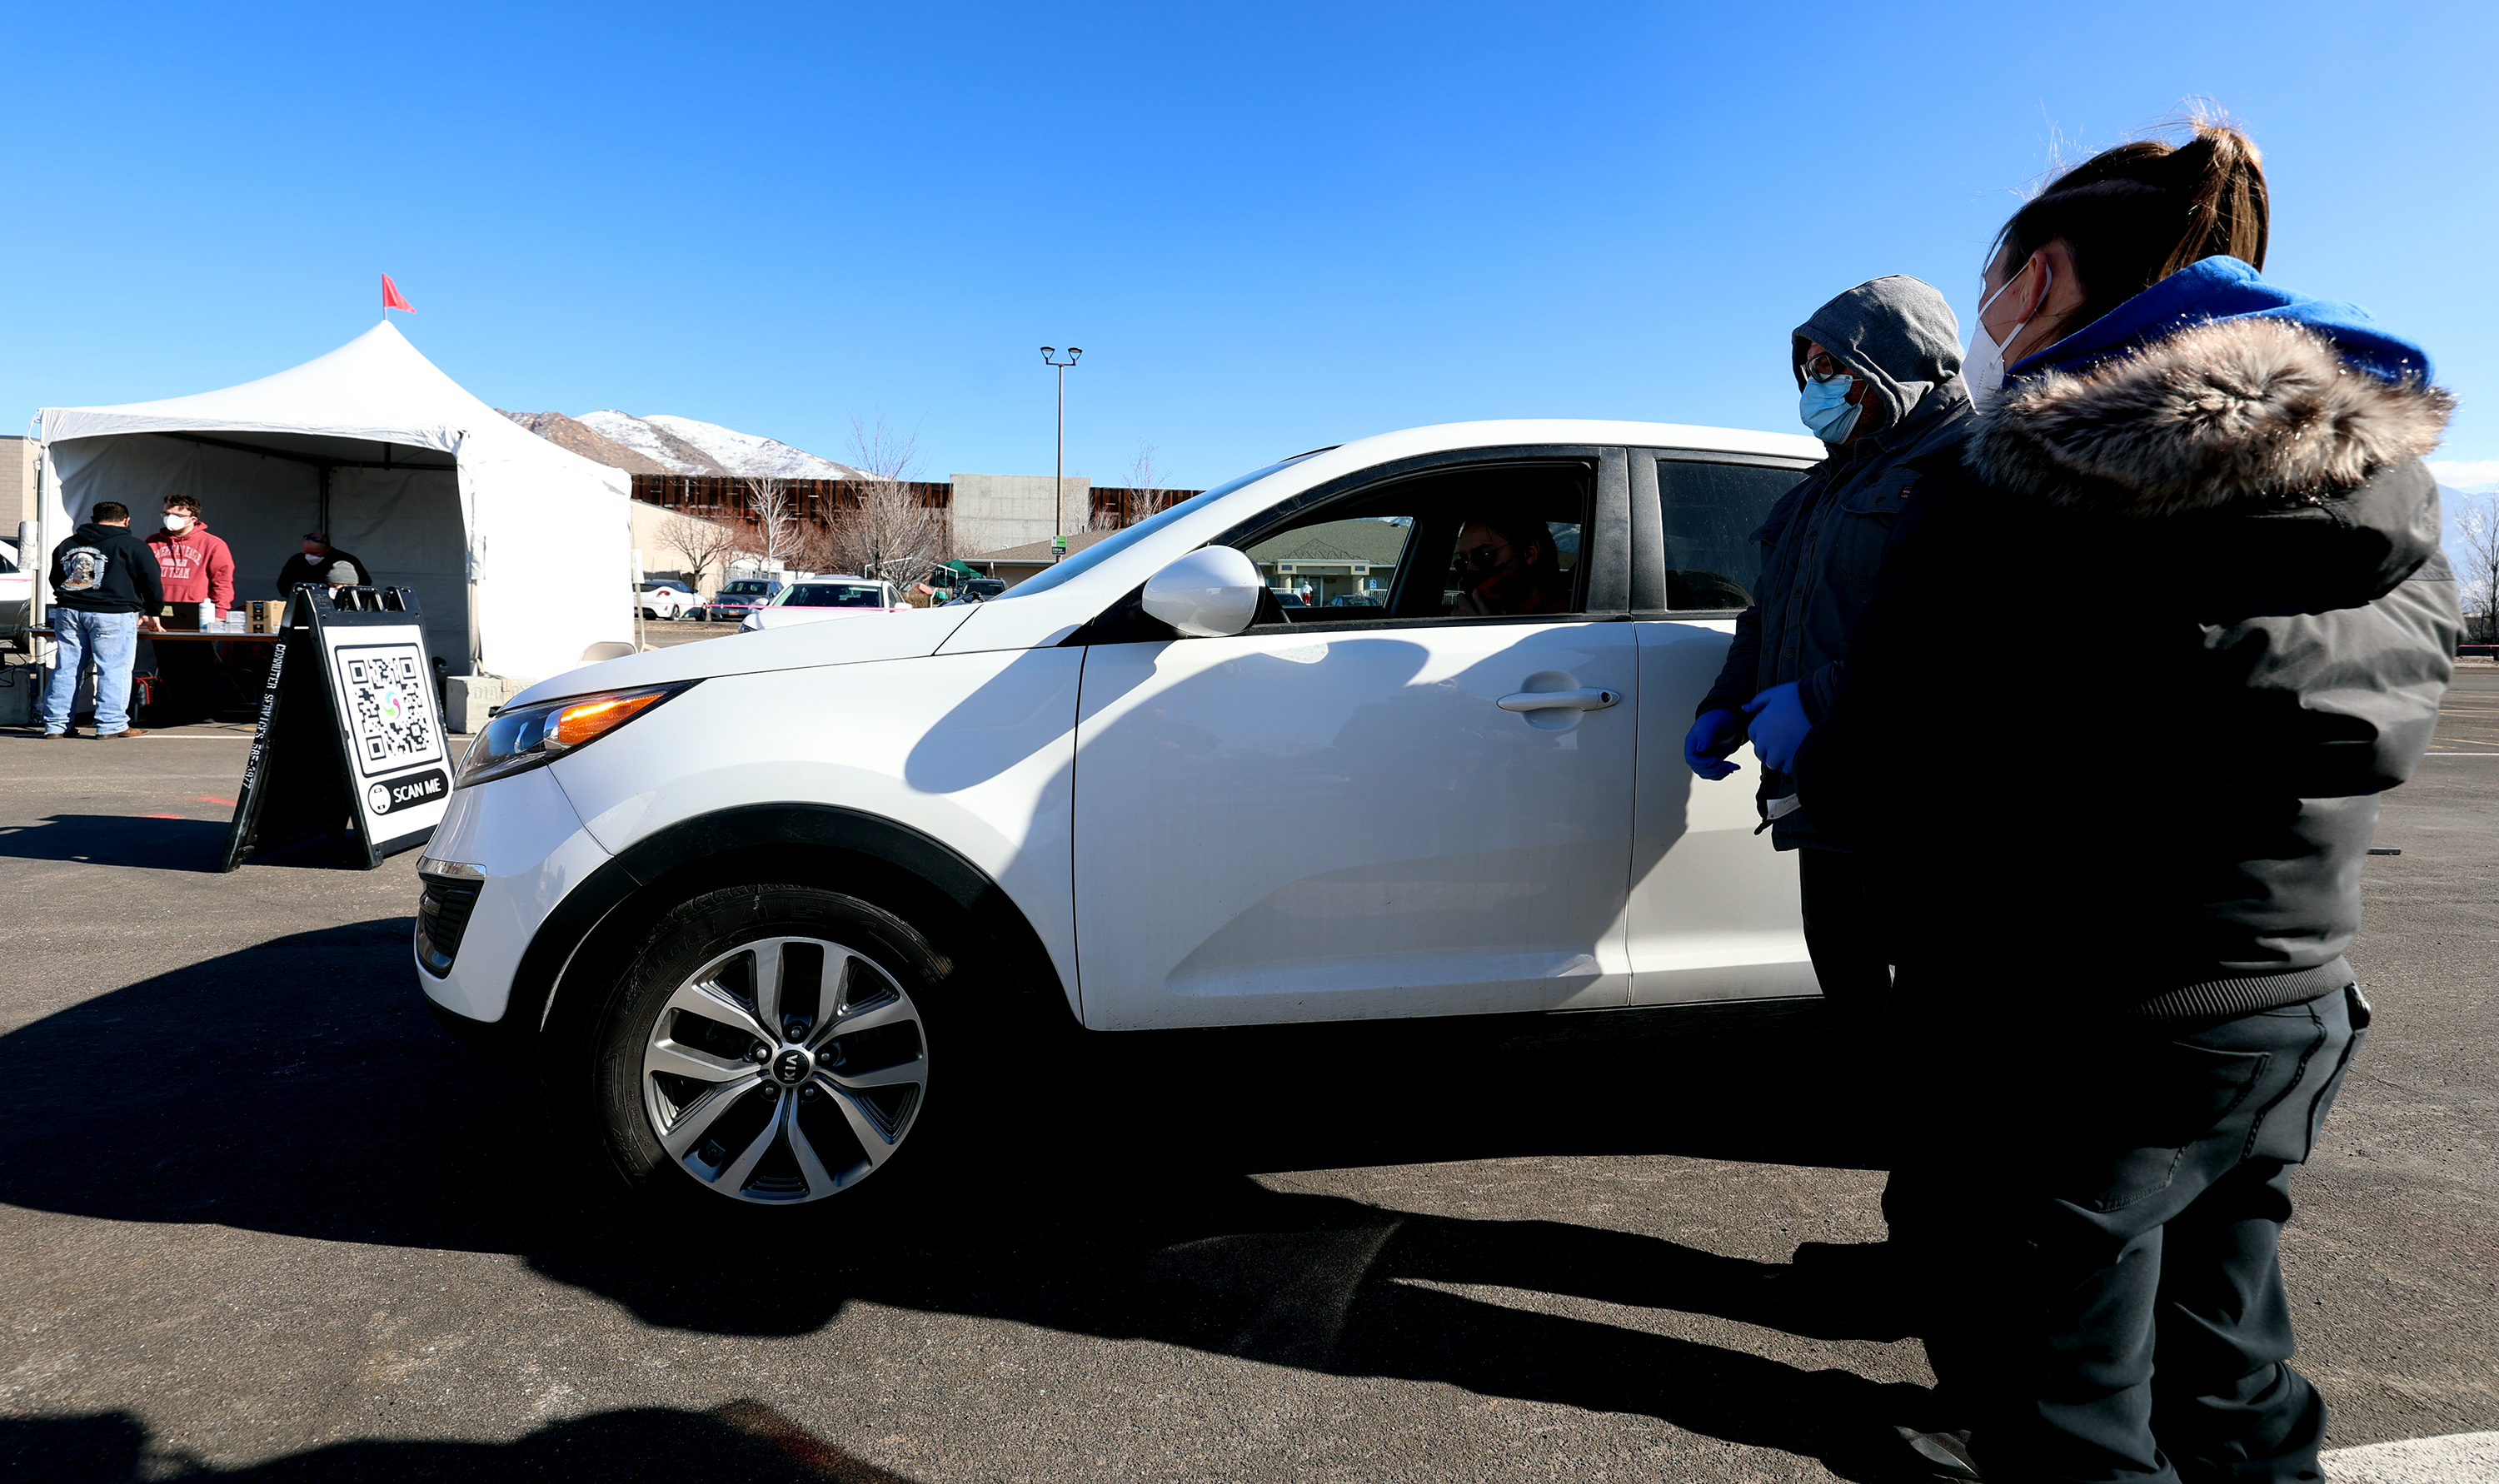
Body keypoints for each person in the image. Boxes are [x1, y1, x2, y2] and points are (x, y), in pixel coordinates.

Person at [1794, 122, 2455, 1482]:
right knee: (2233, 1378)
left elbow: (1876, 768)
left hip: (2072, 1033)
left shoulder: (2017, 484)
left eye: (1994, 286)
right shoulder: (2385, 479)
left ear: (2037, 282)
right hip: (2286, 1004)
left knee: (2065, 1421)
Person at [1683, 276, 1972, 1023]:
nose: (1813, 388)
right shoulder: (1819, 490)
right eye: (1807, 369)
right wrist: (1724, 705)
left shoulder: (1964, 471)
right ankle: (1873, 1120)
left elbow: (1956, 630)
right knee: (1847, 972)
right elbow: (1769, 615)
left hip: (1919, 792)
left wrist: (1818, 697)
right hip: (1823, 780)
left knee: (1939, 994)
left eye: (1828, 368)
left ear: (1892, 364)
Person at [39, 501, 165, 740]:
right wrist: (153, 609)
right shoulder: (132, 545)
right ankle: (111, 725)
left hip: (70, 611)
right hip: (113, 612)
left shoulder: (68, 544)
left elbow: (56, 578)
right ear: (126, 520)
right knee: (114, 668)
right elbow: (151, 580)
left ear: (93, 519)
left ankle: (56, 725)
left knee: (67, 669)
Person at [142, 495, 237, 725]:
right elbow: (141, 580)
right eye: (166, 513)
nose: (170, 519)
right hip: (161, 617)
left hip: (199, 619)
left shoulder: (213, 544)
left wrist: (220, 615)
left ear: (193, 518)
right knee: (168, 666)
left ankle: (200, 709)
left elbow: (222, 583)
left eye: (177, 515)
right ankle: (176, 709)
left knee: (198, 667)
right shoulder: (152, 542)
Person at [1449, 515, 1570, 615]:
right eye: (1463, 562)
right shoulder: (1509, 613)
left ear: (1528, 553)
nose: (1470, 569)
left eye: (1484, 556)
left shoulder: (1560, 624)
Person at [275, 532, 367, 596]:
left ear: (328, 549)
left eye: (315, 553)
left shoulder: (346, 560)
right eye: (307, 552)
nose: (309, 556)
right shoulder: (297, 560)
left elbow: (365, 584)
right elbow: (283, 585)